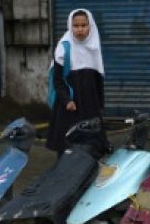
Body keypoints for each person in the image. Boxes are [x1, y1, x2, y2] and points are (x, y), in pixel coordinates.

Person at [45, 9, 106, 157]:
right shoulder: (64, 47)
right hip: (70, 107)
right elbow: (57, 80)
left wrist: (100, 104)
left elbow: (98, 79)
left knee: (91, 145)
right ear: (70, 26)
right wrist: (67, 100)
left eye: (83, 25)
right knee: (67, 146)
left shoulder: (94, 47)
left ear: (90, 26)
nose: (79, 29)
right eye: (76, 26)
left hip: (90, 105)